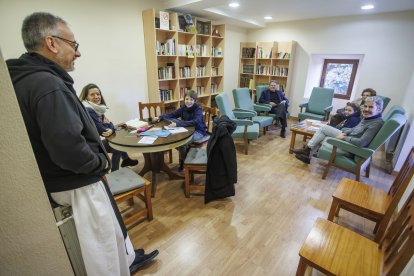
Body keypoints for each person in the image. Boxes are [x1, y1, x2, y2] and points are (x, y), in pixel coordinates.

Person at [6, 12, 157, 275]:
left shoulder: (23, 79)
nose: (77, 53)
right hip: (78, 183)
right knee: (103, 251)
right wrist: (100, 162)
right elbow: (68, 148)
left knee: (109, 238)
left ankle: (129, 258)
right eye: (73, 45)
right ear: (52, 43)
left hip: (63, 180)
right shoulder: (48, 85)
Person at [293, 96, 384, 164]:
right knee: (323, 128)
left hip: (351, 147)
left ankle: (307, 152)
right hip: (349, 137)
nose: (366, 109)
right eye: (365, 106)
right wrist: (346, 132)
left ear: (379, 109)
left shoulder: (376, 123)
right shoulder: (368, 118)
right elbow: (355, 129)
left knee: (322, 137)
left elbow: (361, 142)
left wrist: (344, 138)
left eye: (371, 107)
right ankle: (307, 151)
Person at [79, 83, 138, 171]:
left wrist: (110, 127)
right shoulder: (89, 110)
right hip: (89, 147)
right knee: (117, 146)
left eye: (98, 94)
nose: (96, 96)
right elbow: (103, 131)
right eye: (92, 94)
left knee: (117, 143)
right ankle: (115, 171)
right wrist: (110, 125)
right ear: (86, 97)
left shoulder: (96, 108)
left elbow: (106, 126)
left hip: (91, 143)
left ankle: (125, 160)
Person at [155, 90, 207, 171]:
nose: (188, 101)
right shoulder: (183, 107)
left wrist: (178, 124)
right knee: (174, 140)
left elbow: (195, 121)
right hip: (186, 130)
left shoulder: (198, 109)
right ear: (184, 99)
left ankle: (183, 163)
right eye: (187, 99)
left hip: (198, 132)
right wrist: (160, 117)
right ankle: (186, 156)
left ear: (195, 101)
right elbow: (172, 114)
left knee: (182, 143)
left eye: (191, 99)